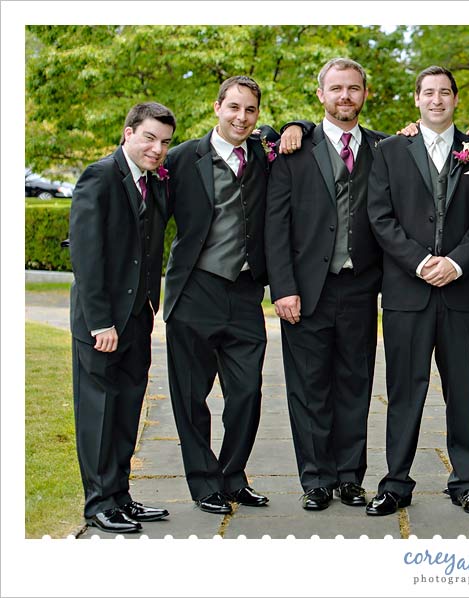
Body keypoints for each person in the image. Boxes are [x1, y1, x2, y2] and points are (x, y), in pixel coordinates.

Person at [365, 66, 469, 517]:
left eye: (445, 92)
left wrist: (457, 262)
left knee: (463, 390)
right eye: (429, 92)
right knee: (404, 390)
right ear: (417, 99)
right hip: (407, 291)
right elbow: (380, 216)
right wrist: (421, 262)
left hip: (462, 294)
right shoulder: (389, 150)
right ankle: (395, 483)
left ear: (456, 99)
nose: (437, 99)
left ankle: (465, 481)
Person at [264, 58, 386, 511]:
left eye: (353, 88)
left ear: (364, 94)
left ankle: (351, 477)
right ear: (321, 95)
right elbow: (276, 225)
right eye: (336, 89)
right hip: (305, 289)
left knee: (356, 383)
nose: (345, 97)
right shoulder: (293, 149)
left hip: (361, 287)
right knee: (309, 387)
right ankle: (315, 478)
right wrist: (282, 288)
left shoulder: (384, 148)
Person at [163, 76, 280, 515]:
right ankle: (204, 482)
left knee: (247, 393)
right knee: (191, 397)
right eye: (233, 107)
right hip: (195, 289)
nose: (241, 117)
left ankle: (233, 476)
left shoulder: (266, 154)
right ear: (217, 107)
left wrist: (296, 126)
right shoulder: (181, 159)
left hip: (246, 293)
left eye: (250, 110)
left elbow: (302, 131)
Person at [68, 102, 176, 533]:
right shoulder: (99, 176)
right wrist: (100, 323)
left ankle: (120, 496)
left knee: (128, 409)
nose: (157, 148)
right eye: (149, 137)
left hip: (138, 317)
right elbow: (86, 255)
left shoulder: (152, 182)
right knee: (99, 412)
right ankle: (97, 505)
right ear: (127, 133)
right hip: (103, 323)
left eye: (165, 142)